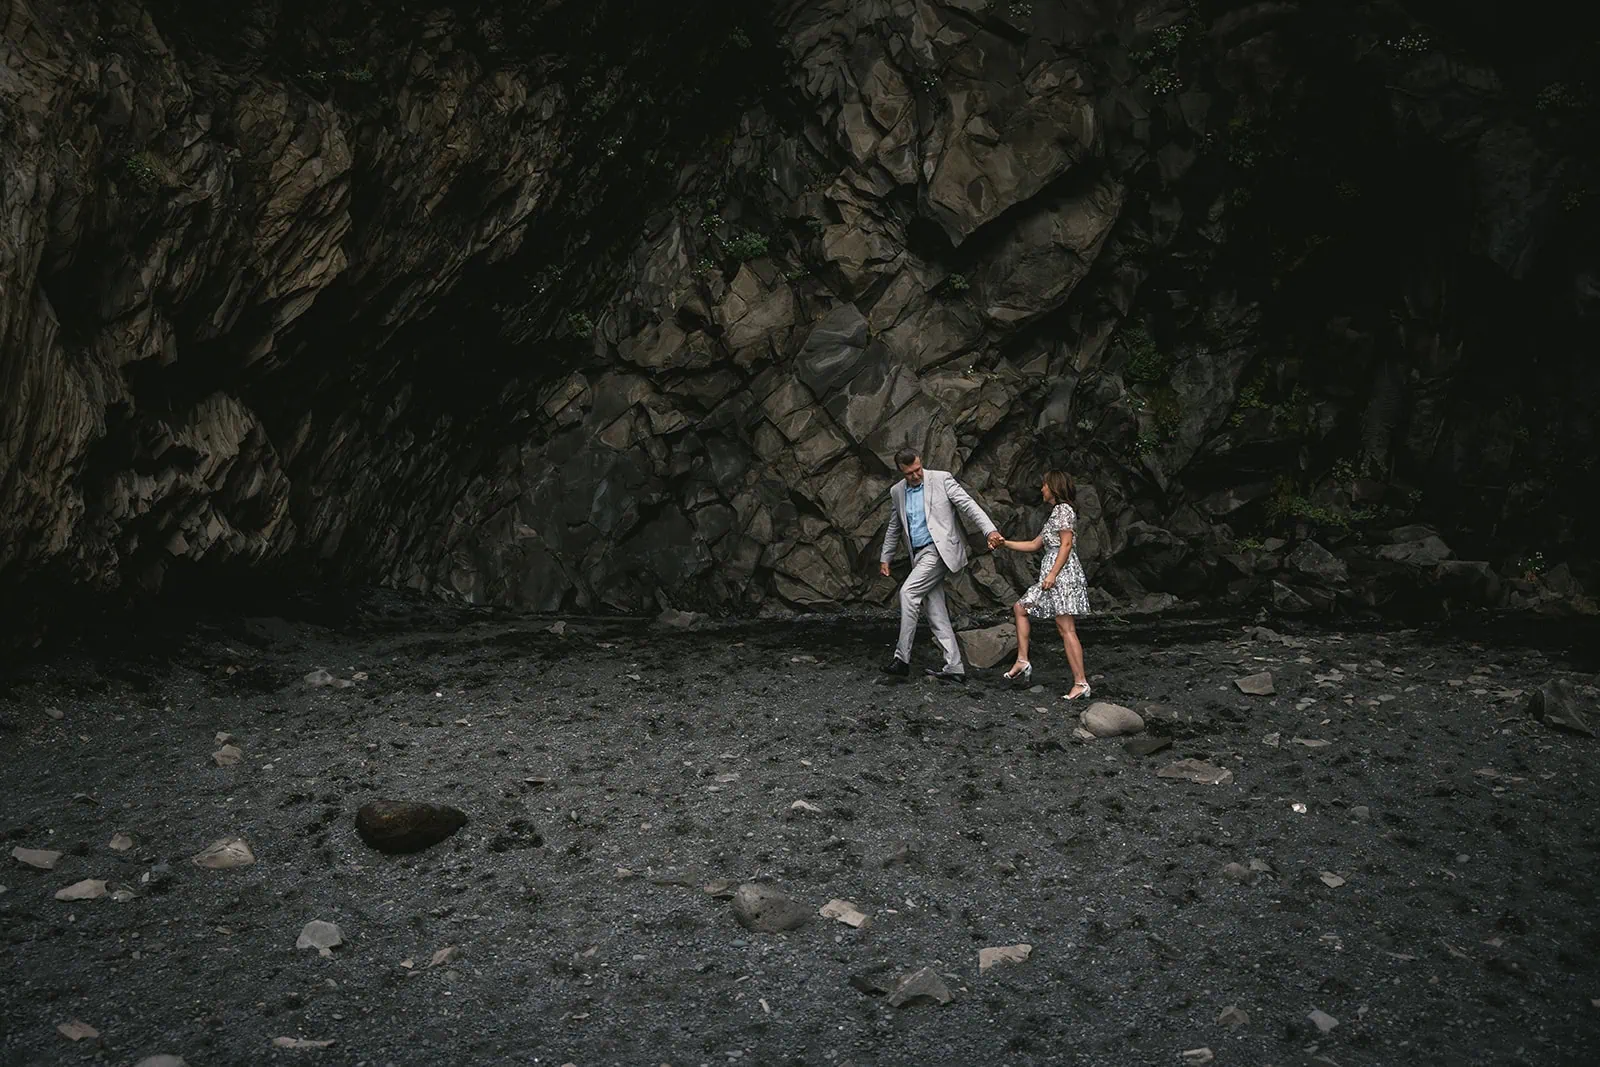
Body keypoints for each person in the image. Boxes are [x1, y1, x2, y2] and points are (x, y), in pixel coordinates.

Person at [879, 447, 1003, 683]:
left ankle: (902, 660)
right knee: (935, 611)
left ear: (920, 462)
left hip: (939, 552)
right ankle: (954, 667)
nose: (915, 476)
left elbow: (969, 505)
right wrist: (886, 558)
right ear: (901, 472)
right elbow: (894, 527)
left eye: (917, 470)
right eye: (909, 474)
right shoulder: (897, 492)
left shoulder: (942, 478)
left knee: (908, 593)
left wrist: (990, 530)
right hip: (918, 556)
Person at [995, 470, 1092, 700]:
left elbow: (1066, 545)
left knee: (1065, 627)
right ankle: (1022, 660)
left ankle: (1081, 683)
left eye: (1045, 485)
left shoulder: (1064, 510)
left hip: (1062, 574)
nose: (1042, 489)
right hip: (1052, 573)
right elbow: (1034, 544)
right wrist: (1004, 543)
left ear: (1054, 487)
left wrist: (1052, 574)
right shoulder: (1055, 515)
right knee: (1021, 608)